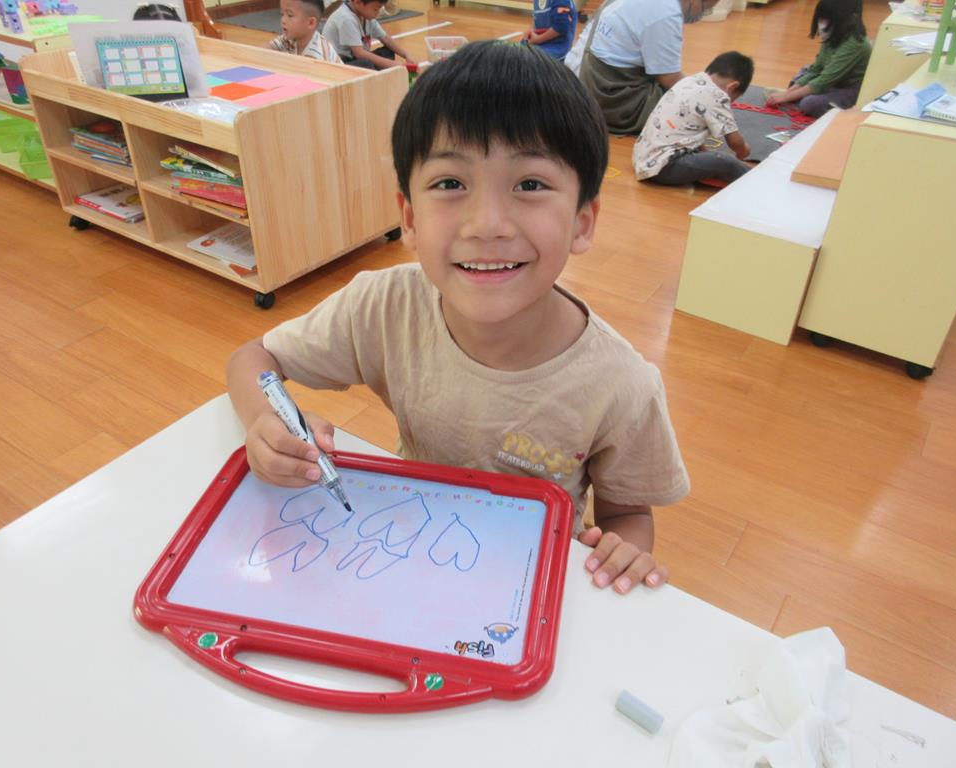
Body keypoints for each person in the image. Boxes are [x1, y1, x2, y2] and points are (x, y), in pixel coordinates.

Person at [226, 42, 690, 596]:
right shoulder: (383, 305)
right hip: (409, 550)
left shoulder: (622, 385)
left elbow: (627, 514)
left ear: (582, 222)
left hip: (528, 581)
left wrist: (624, 550)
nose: (486, 224)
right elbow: (252, 357)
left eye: (530, 184)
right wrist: (265, 420)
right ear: (409, 218)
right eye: (450, 184)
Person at [565, 0, 720, 135]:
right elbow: (670, 79)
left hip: (589, 80)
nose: (702, 15)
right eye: (706, 8)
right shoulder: (666, 12)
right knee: (693, 110)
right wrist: (706, 92)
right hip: (611, 99)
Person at [633, 51, 754, 186]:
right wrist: (744, 151)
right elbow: (735, 143)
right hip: (665, 167)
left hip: (644, 158)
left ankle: (706, 173)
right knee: (726, 161)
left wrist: (704, 155)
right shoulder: (717, 97)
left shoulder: (688, 81)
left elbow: (690, 132)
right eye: (734, 98)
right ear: (732, 87)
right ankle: (755, 182)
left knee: (712, 159)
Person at [764, 0, 871, 117]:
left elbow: (824, 81)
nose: (822, 23)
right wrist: (787, 93)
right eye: (821, 18)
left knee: (810, 103)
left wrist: (785, 97)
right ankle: (801, 95)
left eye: (827, 19)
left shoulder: (855, 43)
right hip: (830, 81)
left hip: (850, 88)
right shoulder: (835, 34)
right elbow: (816, 70)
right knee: (804, 75)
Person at [323, 0, 412, 70]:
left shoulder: (366, 15)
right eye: (375, 9)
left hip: (354, 60)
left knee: (387, 52)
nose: (378, 13)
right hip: (338, 65)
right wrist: (393, 64)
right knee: (366, 64)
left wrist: (407, 55)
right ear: (358, 2)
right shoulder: (346, 18)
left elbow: (385, 39)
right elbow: (359, 53)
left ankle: (376, 74)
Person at [268, 0, 343, 63]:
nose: (283, 20)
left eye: (290, 15)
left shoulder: (316, 55)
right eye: (282, 14)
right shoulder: (291, 38)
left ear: (311, 23)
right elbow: (267, 49)